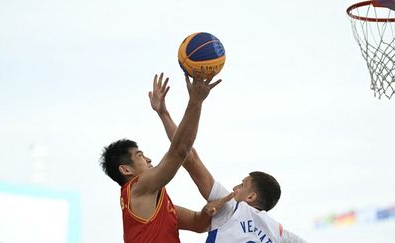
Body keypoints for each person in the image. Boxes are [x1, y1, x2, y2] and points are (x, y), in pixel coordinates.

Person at [150, 76, 308, 243]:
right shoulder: (279, 234)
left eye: (242, 185)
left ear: (251, 197)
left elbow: (190, 158)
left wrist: (168, 112)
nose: (235, 188)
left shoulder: (231, 207)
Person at [100, 70, 229, 243]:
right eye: (140, 156)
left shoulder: (153, 201)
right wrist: (195, 101)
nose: (148, 159)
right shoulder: (138, 188)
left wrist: (206, 212)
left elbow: (198, 224)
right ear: (125, 169)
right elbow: (179, 151)